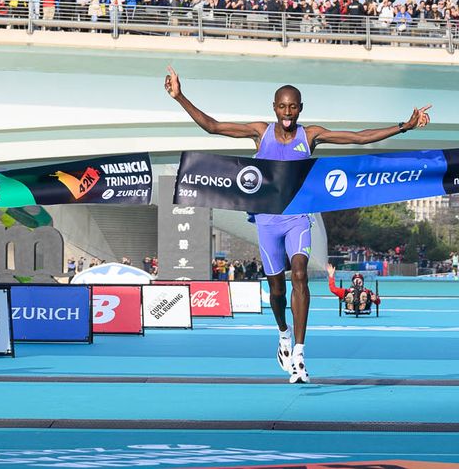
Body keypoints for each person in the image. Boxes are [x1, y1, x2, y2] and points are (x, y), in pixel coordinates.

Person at [165, 66, 429, 383]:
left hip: (298, 218)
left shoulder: (310, 135)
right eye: (282, 106)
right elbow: (213, 127)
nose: (287, 112)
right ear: (274, 107)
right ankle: (283, 333)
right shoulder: (259, 132)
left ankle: (300, 356)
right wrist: (180, 96)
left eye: (293, 106)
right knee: (276, 290)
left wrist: (404, 126)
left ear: (300, 108)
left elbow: (358, 139)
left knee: (300, 275)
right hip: (266, 222)